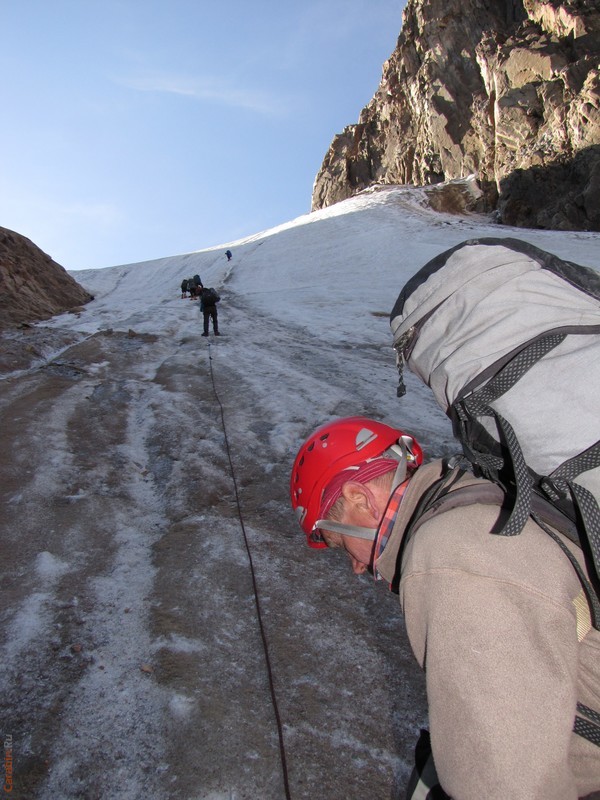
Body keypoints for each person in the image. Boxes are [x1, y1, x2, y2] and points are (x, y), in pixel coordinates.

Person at [290, 416, 600, 800]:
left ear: (359, 498)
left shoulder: (452, 558)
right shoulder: (474, 496)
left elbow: (509, 787)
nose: (355, 566)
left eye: (341, 545)